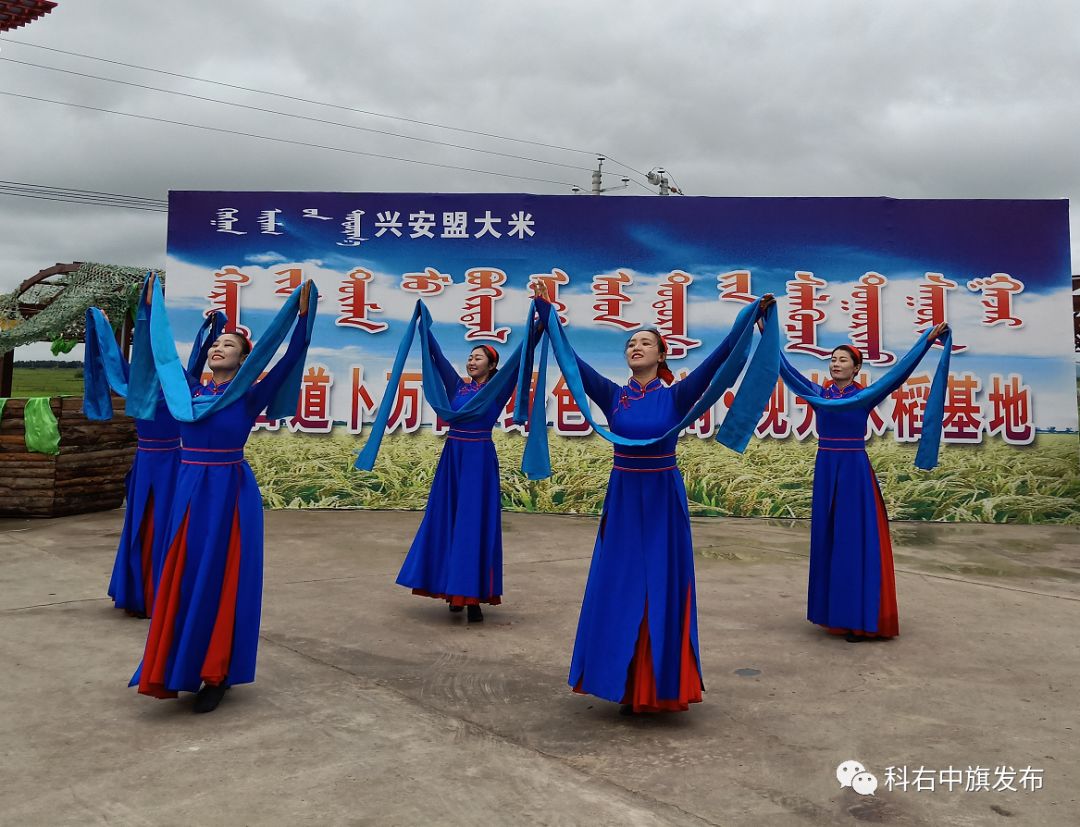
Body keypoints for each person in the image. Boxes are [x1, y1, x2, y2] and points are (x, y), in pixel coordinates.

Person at [531, 283, 775, 714]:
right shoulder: (613, 395)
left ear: (661, 355)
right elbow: (573, 362)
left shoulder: (676, 395)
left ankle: (659, 685)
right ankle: (620, 683)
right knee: (619, 586)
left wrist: (748, 321)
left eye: (645, 342)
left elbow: (719, 362)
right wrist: (547, 313)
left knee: (660, 587)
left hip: (663, 496)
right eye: (630, 343)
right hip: (624, 496)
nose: (636, 347)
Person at [127, 276, 316, 712]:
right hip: (187, 490)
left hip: (229, 492)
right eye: (217, 345)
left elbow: (289, 359)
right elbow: (159, 356)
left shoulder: (248, 395)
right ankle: (174, 666)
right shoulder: (186, 392)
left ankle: (216, 672)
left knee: (222, 578)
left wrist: (303, 319)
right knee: (182, 577)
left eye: (230, 346)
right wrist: (150, 309)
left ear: (246, 360)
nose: (219, 348)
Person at [777, 325, 949, 642]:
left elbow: (898, 374)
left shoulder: (864, 396)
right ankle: (834, 615)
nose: (836, 364)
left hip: (854, 471)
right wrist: (764, 332)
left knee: (852, 542)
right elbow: (783, 367)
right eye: (832, 359)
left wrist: (925, 343)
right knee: (829, 540)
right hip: (827, 468)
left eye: (843, 360)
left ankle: (858, 618)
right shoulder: (819, 394)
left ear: (856, 368)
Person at [83, 305, 224, 618]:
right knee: (142, 523)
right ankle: (140, 592)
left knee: (168, 525)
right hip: (145, 461)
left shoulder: (181, 381)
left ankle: (164, 592)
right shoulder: (133, 380)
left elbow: (201, 358)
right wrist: (104, 324)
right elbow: (110, 358)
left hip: (173, 461)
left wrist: (211, 328)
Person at [395, 343, 510, 623]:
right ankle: (453, 590)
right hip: (453, 458)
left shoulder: (498, 389)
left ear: (492, 366)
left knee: (473, 527)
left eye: (478, 358)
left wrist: (538, 326)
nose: (471, 361)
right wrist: (426, 330)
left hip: (478, 461)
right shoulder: (458, 387)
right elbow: (439, 356)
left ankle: (472, 599)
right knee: (447, 522)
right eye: (469, 357)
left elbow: (519, 362)